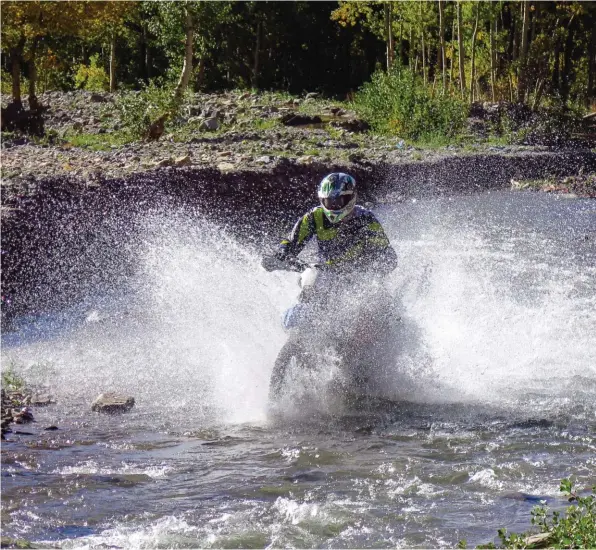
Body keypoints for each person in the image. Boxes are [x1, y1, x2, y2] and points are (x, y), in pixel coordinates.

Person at [262, 172, 397, 275]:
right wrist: (281, 254)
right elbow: (291, 242)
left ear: (351, 198)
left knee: (377, 303)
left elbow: (389, 257)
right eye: (329, 202)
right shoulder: (314, 216)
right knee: (307, 287)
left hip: (360, 280)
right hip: (323, 276)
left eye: (338, 201)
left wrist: (365, 268)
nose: (333, 206)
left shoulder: (366, 220)